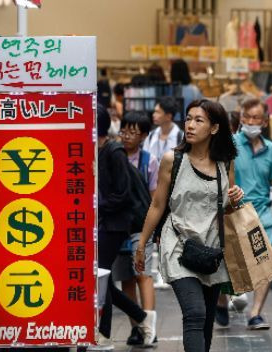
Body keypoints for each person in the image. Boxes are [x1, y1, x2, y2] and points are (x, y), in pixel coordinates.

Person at [135, 99, 244, 352]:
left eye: (199, 120)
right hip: (177, 246)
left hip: (211, 249)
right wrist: (142, 245)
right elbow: (157, 205)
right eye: (188, 119)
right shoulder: (171, 160)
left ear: (214, 128)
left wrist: (234, 199)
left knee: (205, 321)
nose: (190, 125)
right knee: (194, 313)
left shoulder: (225, 162)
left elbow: (225, 209)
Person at [214, 98, 272, 330]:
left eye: (255, 118)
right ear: (240, 119)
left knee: (267, 262)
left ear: (264, 120)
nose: (250, 122)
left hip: (261, 213)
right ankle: (221, 298)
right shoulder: (230, 144)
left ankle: (255, 313)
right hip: (235, 212)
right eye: (246, 118)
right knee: (230, 263)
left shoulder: (270, 149)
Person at [94, 105, 156, 349]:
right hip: (106, 223)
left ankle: (105, 333)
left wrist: (98, 205)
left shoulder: (114, 151)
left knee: (100, 277)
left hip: (116, 224)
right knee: (103, 280)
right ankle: (141, 318)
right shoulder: (99, 150)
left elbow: (123, 194)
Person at [110, 111, 159, 346]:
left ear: (144, 136)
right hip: (117, 229)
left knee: (143, 275)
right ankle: (135, 328)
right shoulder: (113, 156)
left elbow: (155, 199)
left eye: (133, 132)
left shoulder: (149, 161)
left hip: (141, 228)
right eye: (124, 130)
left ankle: (149, 327)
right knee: (126, 279)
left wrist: (154, 230)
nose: (127, 136)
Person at [143, 96, 184, 165]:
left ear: (168, 116)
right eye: (154, 111)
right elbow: (144, 161)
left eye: (157, 112)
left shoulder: (181, 138)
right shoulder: (151, 136)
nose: (153, 115)